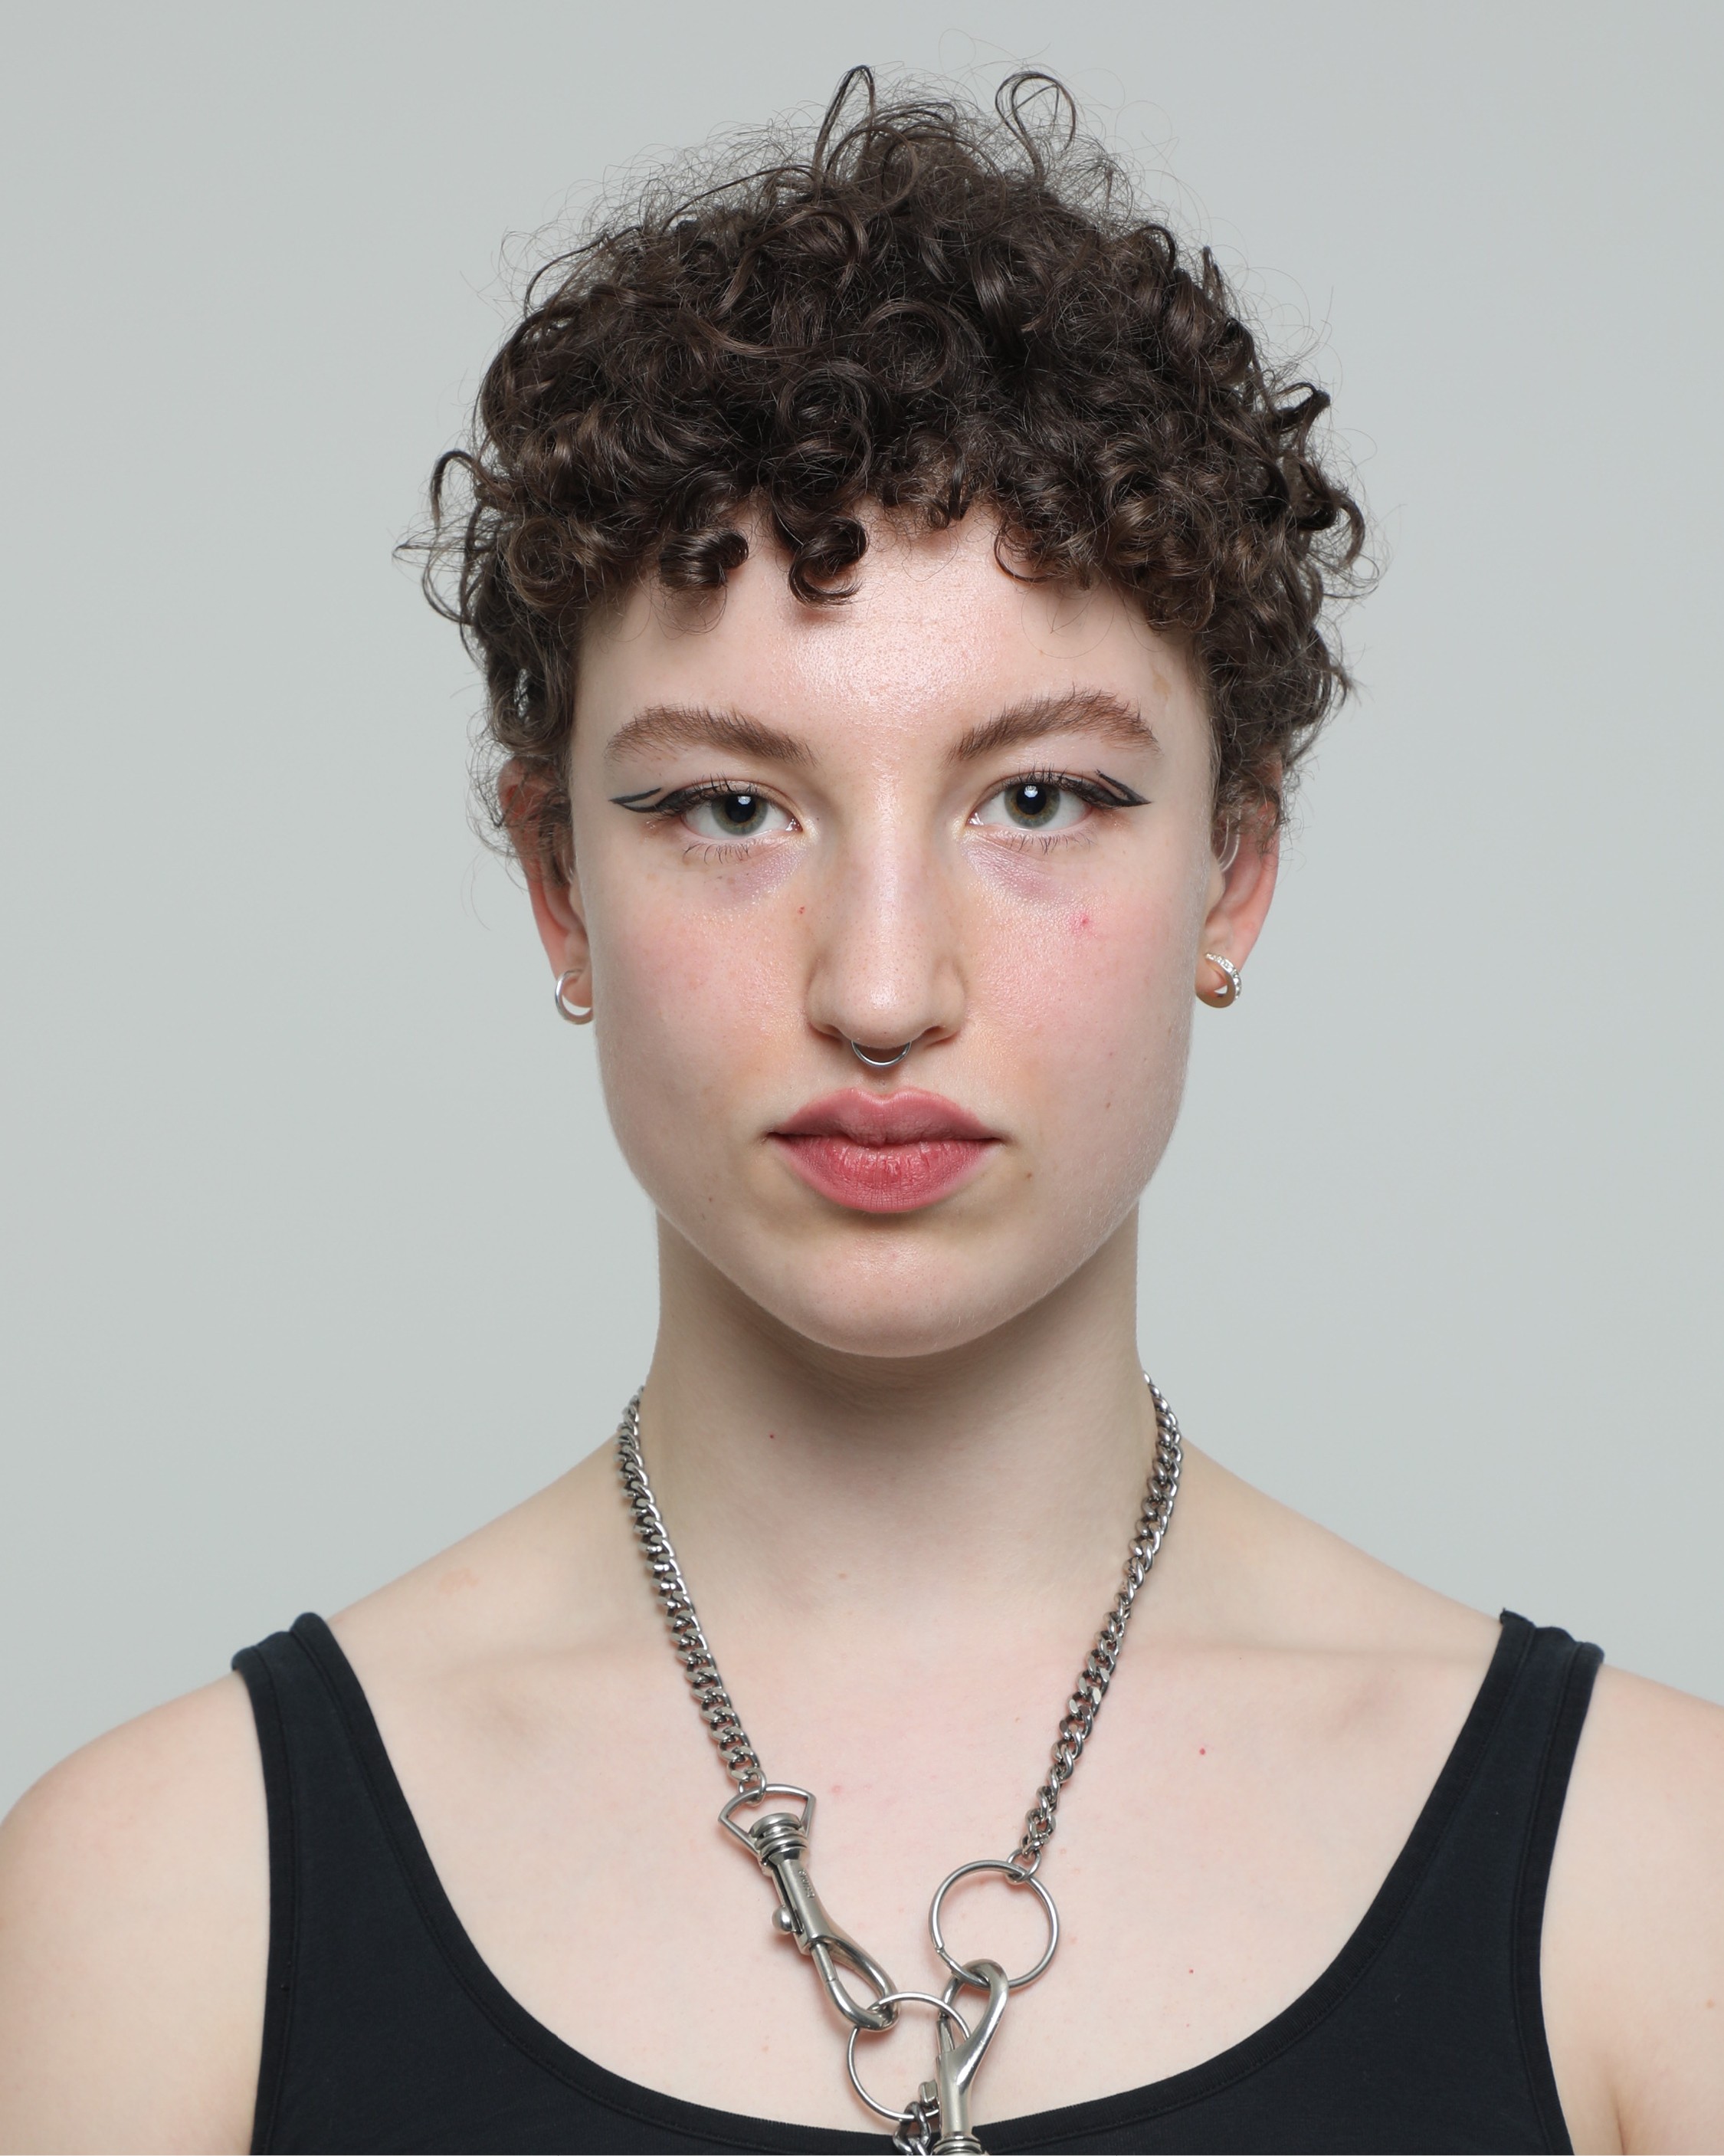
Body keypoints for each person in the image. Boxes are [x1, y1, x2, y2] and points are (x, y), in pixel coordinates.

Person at [1, 69, 1719, 2156]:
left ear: (1231, 873)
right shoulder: (166, 1909)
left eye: (1041, 799)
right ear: (559, 886)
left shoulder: (1656, 1897)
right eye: (729, 806)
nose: (880, 988)